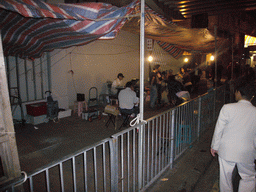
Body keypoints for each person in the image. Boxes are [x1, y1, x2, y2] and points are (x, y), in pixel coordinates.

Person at [210, 83, 256, 192]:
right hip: (247, 151)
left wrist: (214, 146)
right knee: (249, 177)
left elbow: (219, 129)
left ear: (239, 93)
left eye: (236, 92)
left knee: (225, 177)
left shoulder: (228, 108)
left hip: (227, 149)